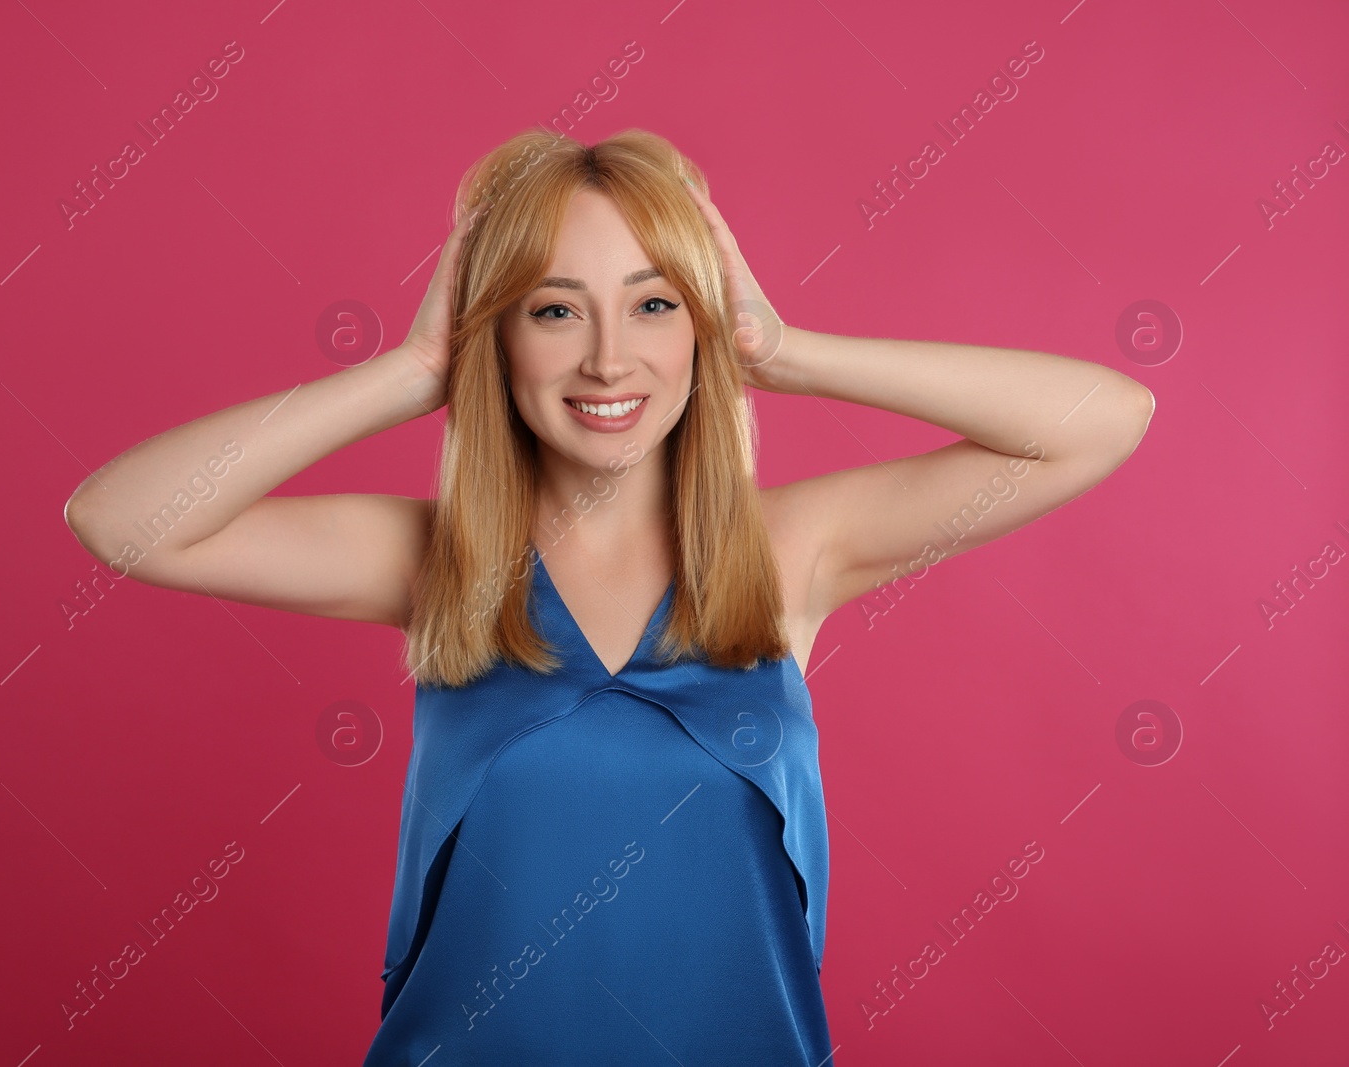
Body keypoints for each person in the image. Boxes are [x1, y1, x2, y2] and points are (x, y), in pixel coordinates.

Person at [64, 128, 1154, 1065]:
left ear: (701, 326)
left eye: (652, 303)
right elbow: (121, 517)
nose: (607, 359)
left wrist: (787, 350)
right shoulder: (434, 560)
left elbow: (1102, 419)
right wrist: (406, 372)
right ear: (495, 335)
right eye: (551, 310)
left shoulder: (789, 552)